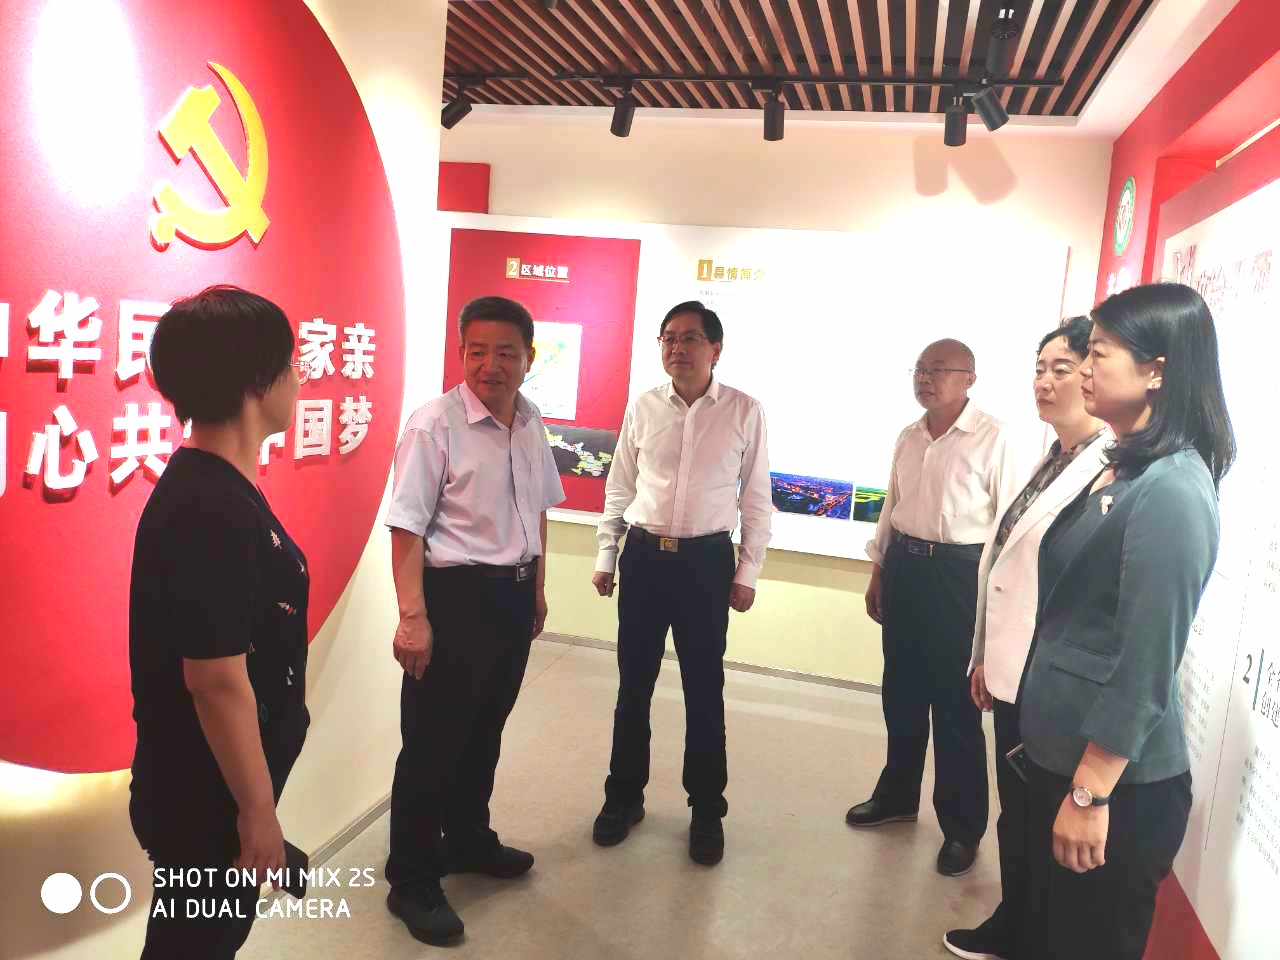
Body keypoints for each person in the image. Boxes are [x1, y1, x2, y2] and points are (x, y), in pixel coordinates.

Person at [1018, 283, 1233, 959]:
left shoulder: (1172, 489)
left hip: (1117, 791)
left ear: (1156, 371)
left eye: (1100, 353)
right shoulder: (1124, 465)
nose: (1083, 368)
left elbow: (1144, 663)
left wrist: (1089, 795)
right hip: (1068, 760)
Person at [129, 286, 310, 959]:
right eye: (290, 365)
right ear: (258, 381)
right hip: (204, 797)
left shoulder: (221, 487)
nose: (298, 380)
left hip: (211, 787)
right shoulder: (209, 506)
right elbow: (215, 680)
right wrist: (256, 812)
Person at [383, 295, 565, 946]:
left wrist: (536, 588)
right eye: (477, 351)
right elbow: (405, 528)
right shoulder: (433, 426)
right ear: (461, 353)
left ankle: (466, 839)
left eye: (506, 352)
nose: (491, 365)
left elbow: (538, 508)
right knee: (432, 742)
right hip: (455, 598)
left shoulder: (531, 420)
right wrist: (412, 617)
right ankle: (410, 879)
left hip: (511, 599)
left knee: (486, 729)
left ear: (529, 358)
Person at [943, 317, 1108, 960]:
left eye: (1061, 369)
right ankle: (1014, 923)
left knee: (1038, 817)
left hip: (1050, 684)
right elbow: (1004, 566)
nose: (1044, 381)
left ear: (1093, 373)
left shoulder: (1107, 469)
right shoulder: (1053, 457)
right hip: (1014, 672)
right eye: (1039, 368)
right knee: (1017, 812)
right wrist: (983, 656)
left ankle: (1032, 932)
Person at [590, 300, 771, 867]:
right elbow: (620, 484)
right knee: (633, 686)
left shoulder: (744, 411)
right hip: (645, 558)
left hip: (705, 564)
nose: (677, 348)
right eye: (668, 337)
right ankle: (623, 798)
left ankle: (707, 809)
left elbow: (756, 499)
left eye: (690, 338)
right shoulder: (643, 406)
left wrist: (747, 571)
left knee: (704, 689)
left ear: (715, 349)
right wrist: (606, 554)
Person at [848, 338, 1022, 878]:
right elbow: (892, 506)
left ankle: (962, 828)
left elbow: (1010, 527)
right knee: (900, 692)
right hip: (906, 567)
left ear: (969, 378)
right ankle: (897, 795)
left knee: (955, 706)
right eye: (920, 369)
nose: (925, 379)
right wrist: (880, 569)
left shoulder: (995, 438)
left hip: (959, 575)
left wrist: (997, 605)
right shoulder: (909, 435)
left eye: (938, 370)